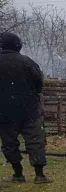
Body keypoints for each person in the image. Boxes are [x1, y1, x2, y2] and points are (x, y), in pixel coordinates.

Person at [0, 32, 50, 183]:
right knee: (35, 140)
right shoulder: (27, 62)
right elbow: (38, 84)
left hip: (4, 110)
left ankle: (18, 173)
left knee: (9, 142)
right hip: (30, 109)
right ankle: (39, 175)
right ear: (18, 45)